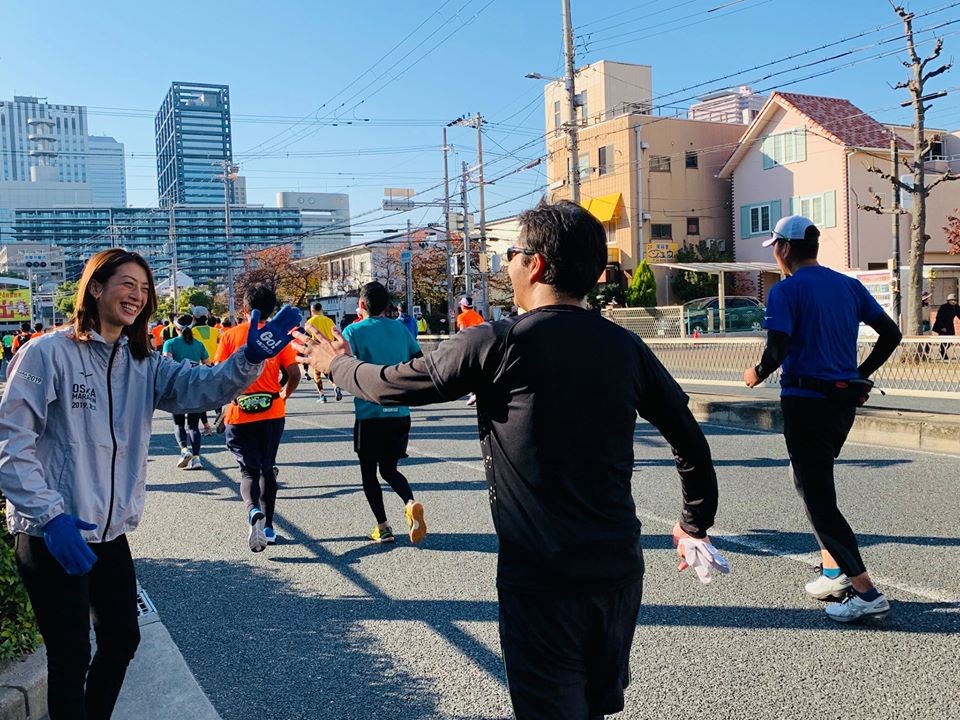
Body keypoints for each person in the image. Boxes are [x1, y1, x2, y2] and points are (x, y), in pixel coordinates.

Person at [296, 201, 720, 719]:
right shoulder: (625, 346)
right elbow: (691, 442)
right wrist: (692, 522)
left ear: (536, 265)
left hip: (541, 579)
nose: (507, 266)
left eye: (513, 254)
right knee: (594, 707)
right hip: (617, 573)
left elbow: (394, 385)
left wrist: (336, 364)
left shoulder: (498, 342)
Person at [0, 248, 300, 720]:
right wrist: (48, 514)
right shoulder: (46, 353)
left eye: (144, 289)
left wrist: (248, 360)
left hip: (108, 531)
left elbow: (205, 387)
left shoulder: (144, 362)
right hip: (52, 532)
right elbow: (10, 439)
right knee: (70, 655)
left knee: (122, 640)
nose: (137, 296)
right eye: (127, 284)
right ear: (95, 287)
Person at [742, 215, 902, 624]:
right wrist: (860, 373)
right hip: (842, 402)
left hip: (805, 401)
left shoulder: (787, 291)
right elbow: (891, 334)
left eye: (776, 247)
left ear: (785, 249)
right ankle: (833, 571)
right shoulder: (848, 285)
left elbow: (777, 349)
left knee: (818, 499)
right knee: (808, 479)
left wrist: (756, 374)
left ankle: (865, 592)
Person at [333, 281, 426, 545]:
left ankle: (383, 527)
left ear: (361, 306)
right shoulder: (399, 329)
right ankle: (410, 503)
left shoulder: (353, 331)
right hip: (399, 412)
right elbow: (417, 360)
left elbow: (343, 367)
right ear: (387, 307)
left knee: (369, 472)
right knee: (390, 469)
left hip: (369, 412)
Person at [215, 285, 301, 552]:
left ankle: (252, 511)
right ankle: (269, 528)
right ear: (273, 309)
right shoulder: (277, 337)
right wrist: (283, 395)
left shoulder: (230, 336)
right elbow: (294, 373)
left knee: (247, 471)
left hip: (239, 412)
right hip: (272, 412)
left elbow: (219, 374)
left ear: (244, 308)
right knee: (267, 467)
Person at [163, 314, 210, 470]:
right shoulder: (199, 344)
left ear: (175, 328)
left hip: (177, 386)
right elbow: (208, 366)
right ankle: (197, 458)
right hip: (196, 386)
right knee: (194, 426)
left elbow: (167, 364)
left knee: (178, 424)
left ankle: (184, 450)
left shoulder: (170, 343)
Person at [190, 308, 221, 434]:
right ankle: (219, 413)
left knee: (201, 397)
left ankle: (206, 426)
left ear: (194, 317)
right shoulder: (215, 331)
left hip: (200, 366)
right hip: (214, 366)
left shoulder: (192, 331)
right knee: (215, 394)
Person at [305, 301, 342, 403]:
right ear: (321, 309)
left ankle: (322, 396)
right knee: (328, 370)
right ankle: (335, 386)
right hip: (329, 347)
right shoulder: (329, 320)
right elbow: (334, 332)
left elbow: (307, 332)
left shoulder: (311, 321)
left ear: (312, 311)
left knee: (316, 373)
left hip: (317, 348)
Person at [931, 292, 959, 360]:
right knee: (944, 340)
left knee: (951, 339)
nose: (953, 301)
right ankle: (943, 354)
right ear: (948, 301)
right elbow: (939, 317)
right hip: (941, 325)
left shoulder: (957, 307)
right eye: (951, 300)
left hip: (950, 325)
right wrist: (942, 327)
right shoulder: (944, 307)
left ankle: (943, 352)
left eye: (955, 300)